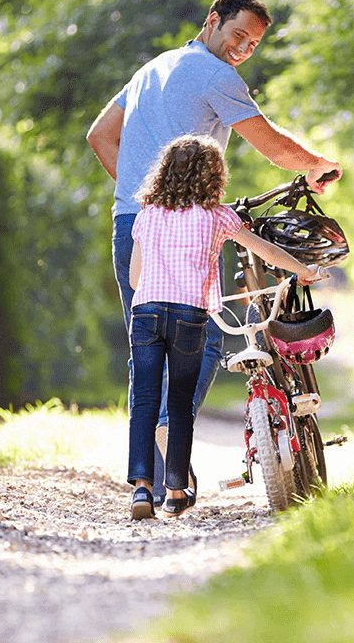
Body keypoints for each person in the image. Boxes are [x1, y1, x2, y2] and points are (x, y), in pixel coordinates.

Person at [87, 0, 341, 506]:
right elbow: (270, 144)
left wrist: (150, 197)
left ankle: (156, 485)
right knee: (198, 339)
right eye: (238, 36)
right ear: (212, 21)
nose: (243, 50)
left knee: (147, 345)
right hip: (189, 228)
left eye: (252, 45)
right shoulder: (214, 75)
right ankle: (166, 430)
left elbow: (99, 136)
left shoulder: (154, 67)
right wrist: (316, 164)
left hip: (132, 222)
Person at [127, 135, 327, 519]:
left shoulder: (147, 213)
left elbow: (136, 278)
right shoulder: (217, 216)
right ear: (213, 176)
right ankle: (175, 490)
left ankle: (140, 490)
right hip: (189, 315)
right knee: (180, 404)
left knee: (145, 401)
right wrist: (304, 271)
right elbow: (266, 251)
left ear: (164, 173)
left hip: (147, 313)